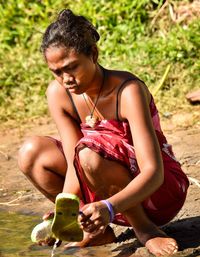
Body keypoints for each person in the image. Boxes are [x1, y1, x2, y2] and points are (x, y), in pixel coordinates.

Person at [18, 9, 189, 256]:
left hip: (156, 193)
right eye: (56, 72)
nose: (65, 79)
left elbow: (153, 172)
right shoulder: (59, 94)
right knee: (32, 153)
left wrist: (108, 207)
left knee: (89, 152)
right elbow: (72, 159)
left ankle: (145, 229)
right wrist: (66, 209)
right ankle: (96, 230)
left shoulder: (127, 91)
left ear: (94, 54)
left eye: (71, 67)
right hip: (101, 191)